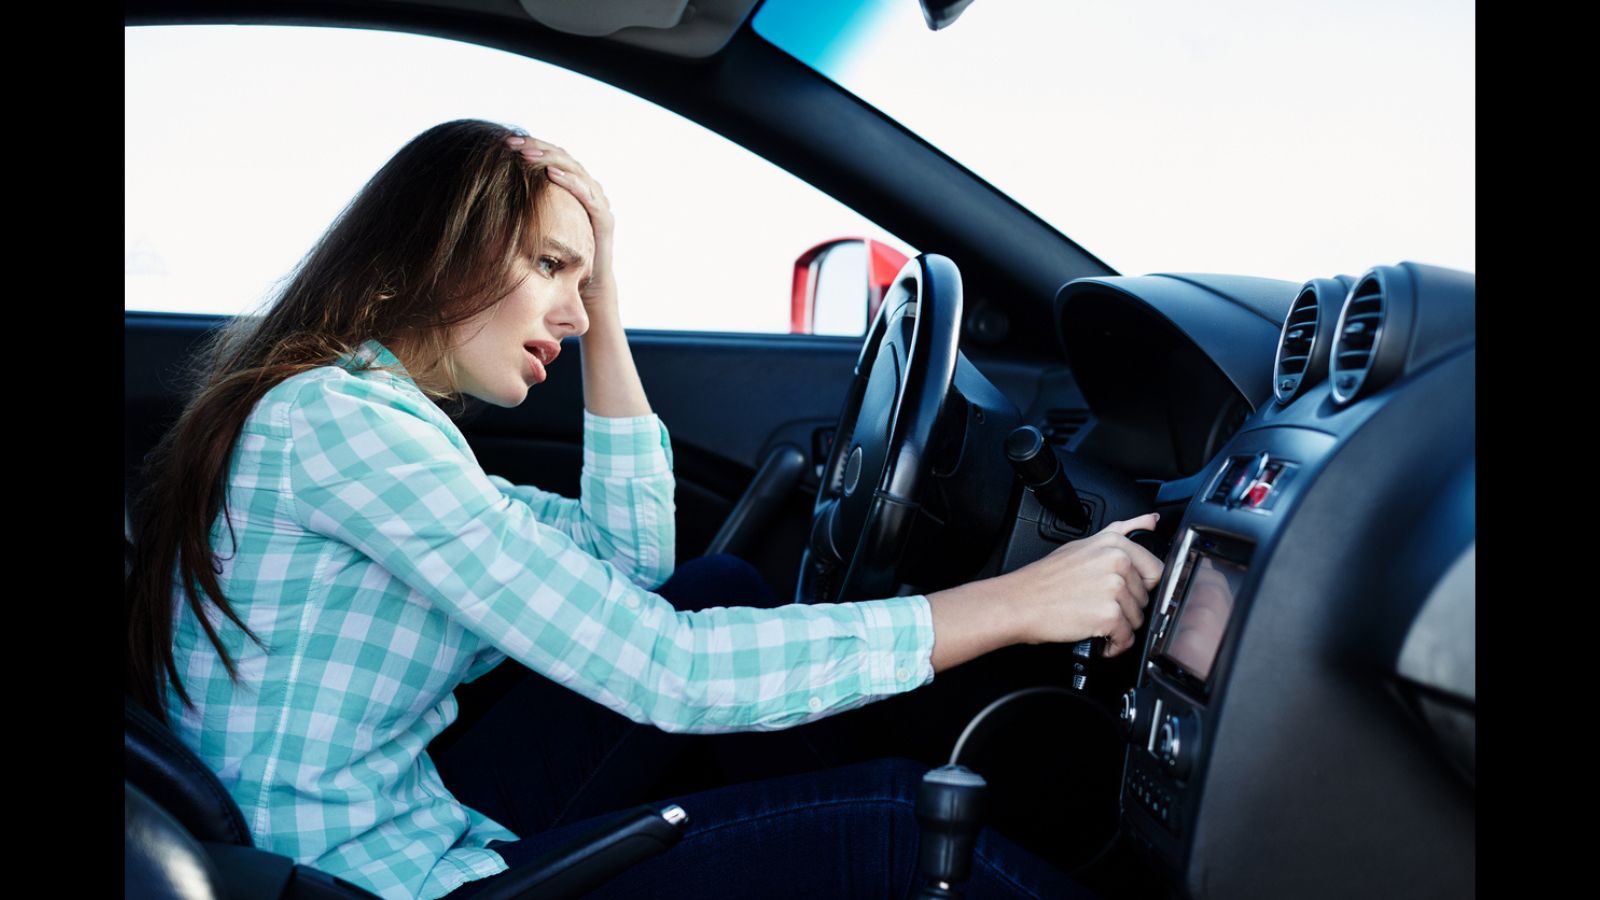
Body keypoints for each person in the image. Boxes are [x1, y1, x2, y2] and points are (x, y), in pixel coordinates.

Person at [125, 119, 1164, 899]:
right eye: (549, 267)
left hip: (386, 820)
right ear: (435, 249)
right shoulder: (344, 432)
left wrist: (606, 287)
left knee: (716, 587)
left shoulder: (362, 420)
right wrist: (1020, 605)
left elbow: (631, 566)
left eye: (585, 283)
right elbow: (661, 668)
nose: (574, 316)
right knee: (902, 826)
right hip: (363, 879)